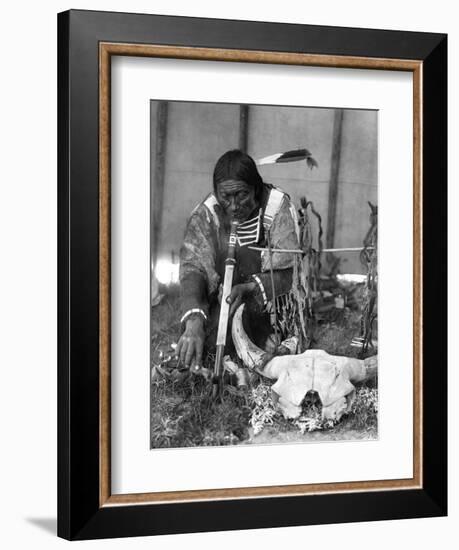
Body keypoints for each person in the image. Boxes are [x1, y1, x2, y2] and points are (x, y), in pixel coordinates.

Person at [176, 149, 300, 368]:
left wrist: (250, 288)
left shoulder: (276, 207)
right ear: (216, 192)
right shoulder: (208, 212)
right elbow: (193, 267)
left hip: (268, 303)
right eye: (226, 197)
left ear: (256, 187)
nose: (234, 206)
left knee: (262, 346)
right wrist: (194, 321)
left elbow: (288, 273)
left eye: (242, 194)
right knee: (207, 344)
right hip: (224, 297)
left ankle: (265, 338)